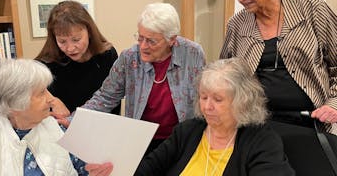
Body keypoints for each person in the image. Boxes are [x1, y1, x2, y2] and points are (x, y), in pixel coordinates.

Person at [86, 58, 294, 176]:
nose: (207, 107)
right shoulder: (188, 131)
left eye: (218, 99)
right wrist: (116, 171)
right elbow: (148, 169)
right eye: (203, 97)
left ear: (243, 100)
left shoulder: (261, 140)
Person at [57, 2, 206, 154]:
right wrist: (74, 119)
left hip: (182, 140)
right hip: (142, 142)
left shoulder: (192, 53)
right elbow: (105, 97)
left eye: (151, 41)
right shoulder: (129, 58)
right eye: (140, 38)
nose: (143, 46)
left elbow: (203, 96)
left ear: (172, 40)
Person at [219, 0, 337, 133]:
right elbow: (225, 75)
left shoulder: (312, 9)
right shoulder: (237, 24)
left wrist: (334, 103)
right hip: (254, 126)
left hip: (309, 125)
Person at [0, 59, 114, 175]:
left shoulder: (59, 129)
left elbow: (83, 170)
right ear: (14, 104)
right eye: (41, 93)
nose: (51, 99)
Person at [35, 0, 121, 115]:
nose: (70, 48)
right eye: (62, 41)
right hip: (61, 128)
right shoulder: (45, 64)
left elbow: (113, 98)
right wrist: (53, 102)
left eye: (76, 40)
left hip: (102, 125)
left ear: (89, 32)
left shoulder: (107, 55)